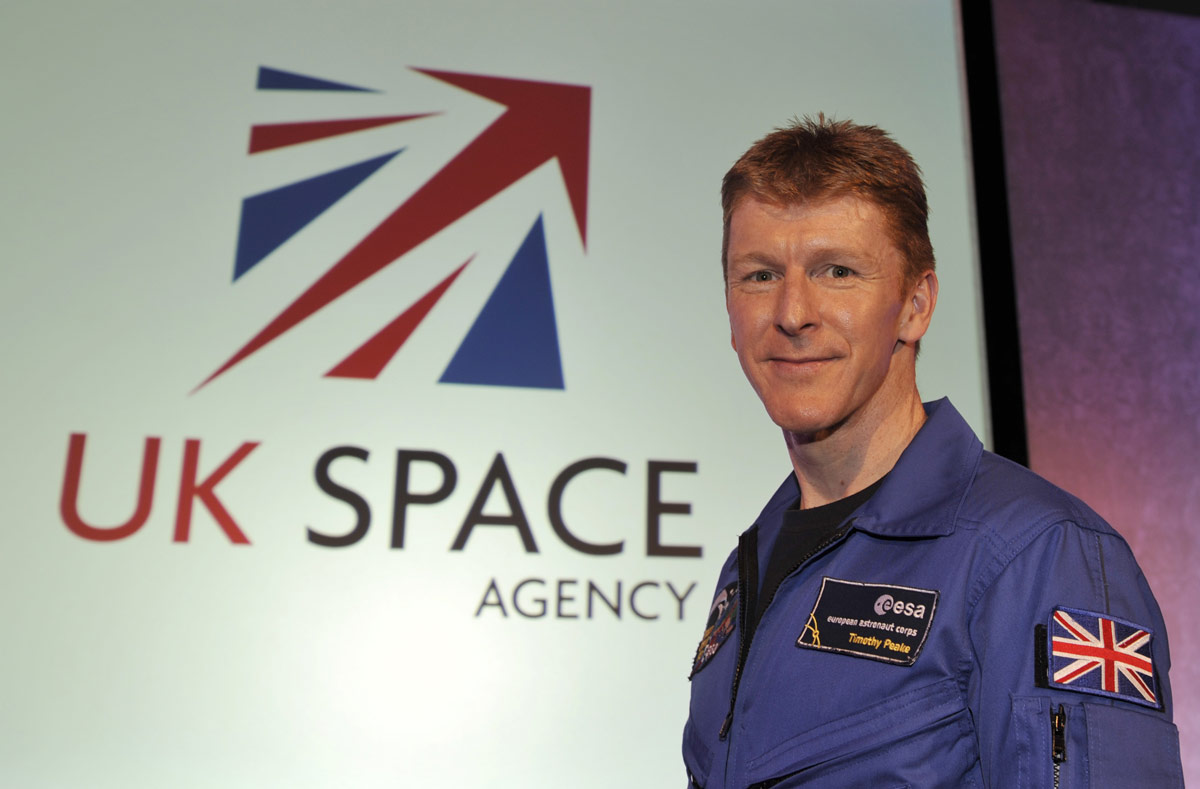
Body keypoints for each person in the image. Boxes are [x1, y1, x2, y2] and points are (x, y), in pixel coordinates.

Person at [682, 117, 1183, 788]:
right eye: (760, 274)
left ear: (915, 305)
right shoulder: (749, 565)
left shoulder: (1038, 553)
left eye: (838, 271)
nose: (793, 311)